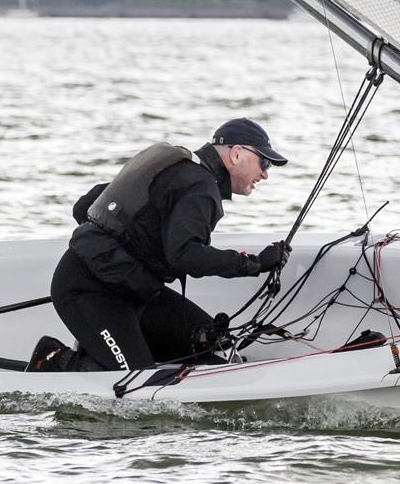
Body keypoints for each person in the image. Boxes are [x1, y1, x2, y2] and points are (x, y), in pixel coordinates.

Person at [26, 118, 289, 372]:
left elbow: (85, 206)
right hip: (88, 289)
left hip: (132, 289)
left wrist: (129, 251)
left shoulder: (177, 166)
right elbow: (186, 257)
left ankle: (100, 348)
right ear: (236, 154)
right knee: (137, 382)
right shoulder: (200, 186)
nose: (265, 174)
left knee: (209, 343)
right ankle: (55, 361)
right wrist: (254, 264)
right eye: (263, 162)